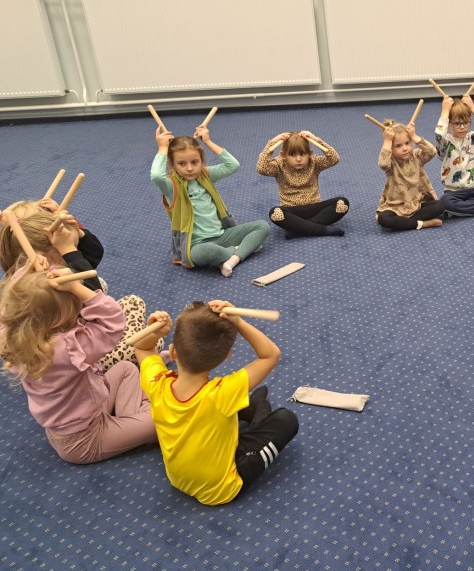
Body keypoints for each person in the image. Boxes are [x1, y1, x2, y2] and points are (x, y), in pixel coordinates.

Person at [134, 301, 299, 506]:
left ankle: (253, 408)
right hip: (220, 490)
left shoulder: (157, 383)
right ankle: (259, 416)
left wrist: (156, 333)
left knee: (229, 407)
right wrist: (238, 322)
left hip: (177, 479)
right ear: (226, 357)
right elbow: (271, 354)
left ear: (173, 352)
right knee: (286, 420)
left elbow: (143, 348)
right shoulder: (223, 392)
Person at [0, 264, 156, 464]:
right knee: (165, 419)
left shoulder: (9, 340)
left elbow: (9, 303)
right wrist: (76, 287)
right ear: (60, 317)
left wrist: (28, 271)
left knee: (126, 369)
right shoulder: (67, 348)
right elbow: (113, 321)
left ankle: (131, 422)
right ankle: (137, 422)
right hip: (85, 440)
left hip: (75, 421)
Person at [0, 209, 156, 371]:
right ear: (44, 257)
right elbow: (96, 293)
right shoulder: (50, 293)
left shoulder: (18, 289)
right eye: (66, 251)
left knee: (133, 302)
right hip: (80, 353)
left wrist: (78, 234)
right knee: (148, 344)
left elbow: (92, 257)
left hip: (76, 337)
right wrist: (69, 250)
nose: (73, 253)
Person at [151, 124, 269, 277]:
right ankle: (242, 250)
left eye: (195, 162)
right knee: (209, 251)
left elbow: (233, 165)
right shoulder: (170, 185)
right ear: (172, 164)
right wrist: (162, 148)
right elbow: (156, 176)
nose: (190, 168)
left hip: (222, 236)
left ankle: (230, 259)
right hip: (196, 245)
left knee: (262, 226)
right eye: (182, 163)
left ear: (202, 161)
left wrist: (208, 141)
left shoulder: (205, 174)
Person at [256, 130, 349, 238]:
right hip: (292, 210)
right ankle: (322, 230)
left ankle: (298, 229)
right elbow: (261, 168)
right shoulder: (279, 164)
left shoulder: (314, 162)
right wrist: (271, 144)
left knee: (343, 203)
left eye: (303, 154)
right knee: (275, 213)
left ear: (310, 154)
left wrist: (315, 139)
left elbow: (334, 159)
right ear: (283, 155)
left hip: (314, 207)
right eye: (292, 155)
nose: (298, 159)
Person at [376, 120, 446, 231]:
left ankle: (403, 222)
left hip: (418, 203)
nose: (405, 148)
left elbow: (432, 151)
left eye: (407, 143)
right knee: (383, 219)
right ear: (391, 149)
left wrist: (414, 136)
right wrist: (388, 140)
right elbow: (383, 164)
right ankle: (422, 224)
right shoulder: (391, 162)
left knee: (440, 205)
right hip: (396, 207)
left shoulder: (416, 156)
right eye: (398, 146)